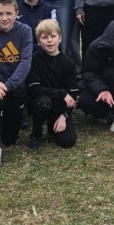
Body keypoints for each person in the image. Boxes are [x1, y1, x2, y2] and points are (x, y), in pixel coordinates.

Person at [0, 0, 33, 168]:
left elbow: (25, 62)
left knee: (11, 139)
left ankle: (1, 122)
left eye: (9, 13)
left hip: (15, 87)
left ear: (16, 13)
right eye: (0, 14)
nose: (4, 18)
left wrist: (8, 85)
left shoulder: (25, 31)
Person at [26, 18, 78, 150]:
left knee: (68, 141)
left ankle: (52, 126)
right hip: (41, 102)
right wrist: (61, 93)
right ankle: (36, 135)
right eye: (44, 37)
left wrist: (64, 116)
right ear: (38, 41)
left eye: (53, 36)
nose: (49, 40)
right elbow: (34, 89)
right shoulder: (35, 60)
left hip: (59, 107)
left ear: (60, 38)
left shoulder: (68, 62)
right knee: (42, 102)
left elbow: (73, 95)